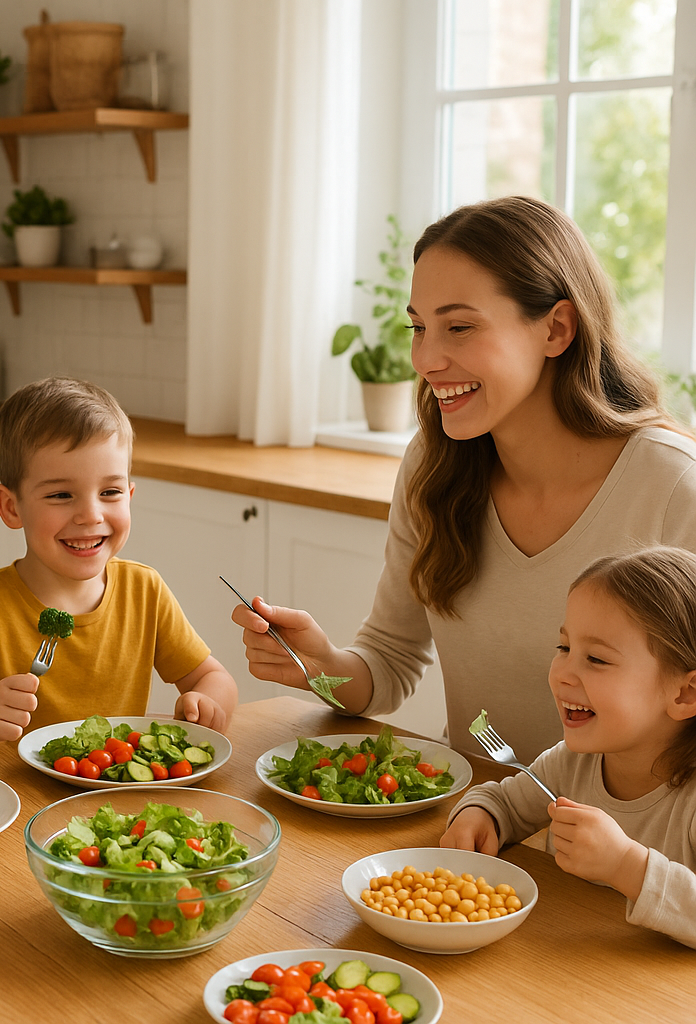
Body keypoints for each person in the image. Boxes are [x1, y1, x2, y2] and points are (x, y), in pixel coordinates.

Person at [232, 195, 696, 764]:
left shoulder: (675, 492)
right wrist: (319, 669)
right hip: (475, 829)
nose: (425, 359)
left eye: (459, 327)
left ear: (556, 329)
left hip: (619, 850)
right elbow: (387, 664)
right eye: (419, 327)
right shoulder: (434, 465)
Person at [0, 376, 238, 754]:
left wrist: (208, 703)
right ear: (11, 507)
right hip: (21, 804)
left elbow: (213, 676)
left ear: (130, 495)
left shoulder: (145, 590)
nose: (91, 515)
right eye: (61, 495)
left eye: (110, 492)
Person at [441, 546, 696, 947]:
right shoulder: (570, 765)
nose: (562, 673)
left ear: (685, 694)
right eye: (564, 648)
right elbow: (506, 803)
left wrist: (626, 865)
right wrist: (479, 816)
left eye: (596, 658)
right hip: (562, 968)